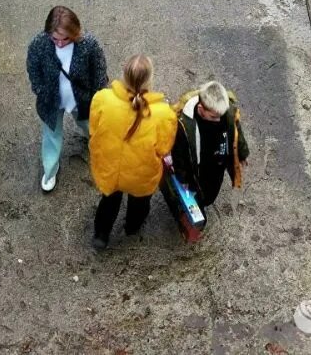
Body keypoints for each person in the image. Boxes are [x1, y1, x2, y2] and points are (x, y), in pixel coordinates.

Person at [88, 54, 177, 249]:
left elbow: (93, 129)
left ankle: (101, 235)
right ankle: (132, 227)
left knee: (109, 201)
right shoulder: (163, 114)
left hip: (110, 168)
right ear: (149, 80)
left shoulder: (102, 98)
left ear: (124, 75)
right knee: (139, 203)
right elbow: (164, 148)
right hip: (141, 173)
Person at [26, 6, 108, 192]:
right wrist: (39, 89)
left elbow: (99, 74)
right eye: (55, 39)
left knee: (91, 127)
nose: (60, 44)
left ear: (74, 32)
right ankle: (50, 169)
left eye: (65, 39)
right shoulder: (39, 44)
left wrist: (98, 98)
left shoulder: (89, 45)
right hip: (51, 101)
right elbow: (33, 69)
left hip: (83, 100)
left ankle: (98, 150)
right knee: (51, 136)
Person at [171, 81, 249, 213]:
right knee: (199, 193)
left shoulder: (225, 111)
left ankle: (206, 200)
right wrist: (182, 179)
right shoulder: (185, 126)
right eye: (213, 117)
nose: (219, 120)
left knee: (212, 192)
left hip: (218, 164)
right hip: (199, 169)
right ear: (201, 109)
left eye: (221, 116)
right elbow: (179, 155)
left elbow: (236, 131)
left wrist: (242, 152)